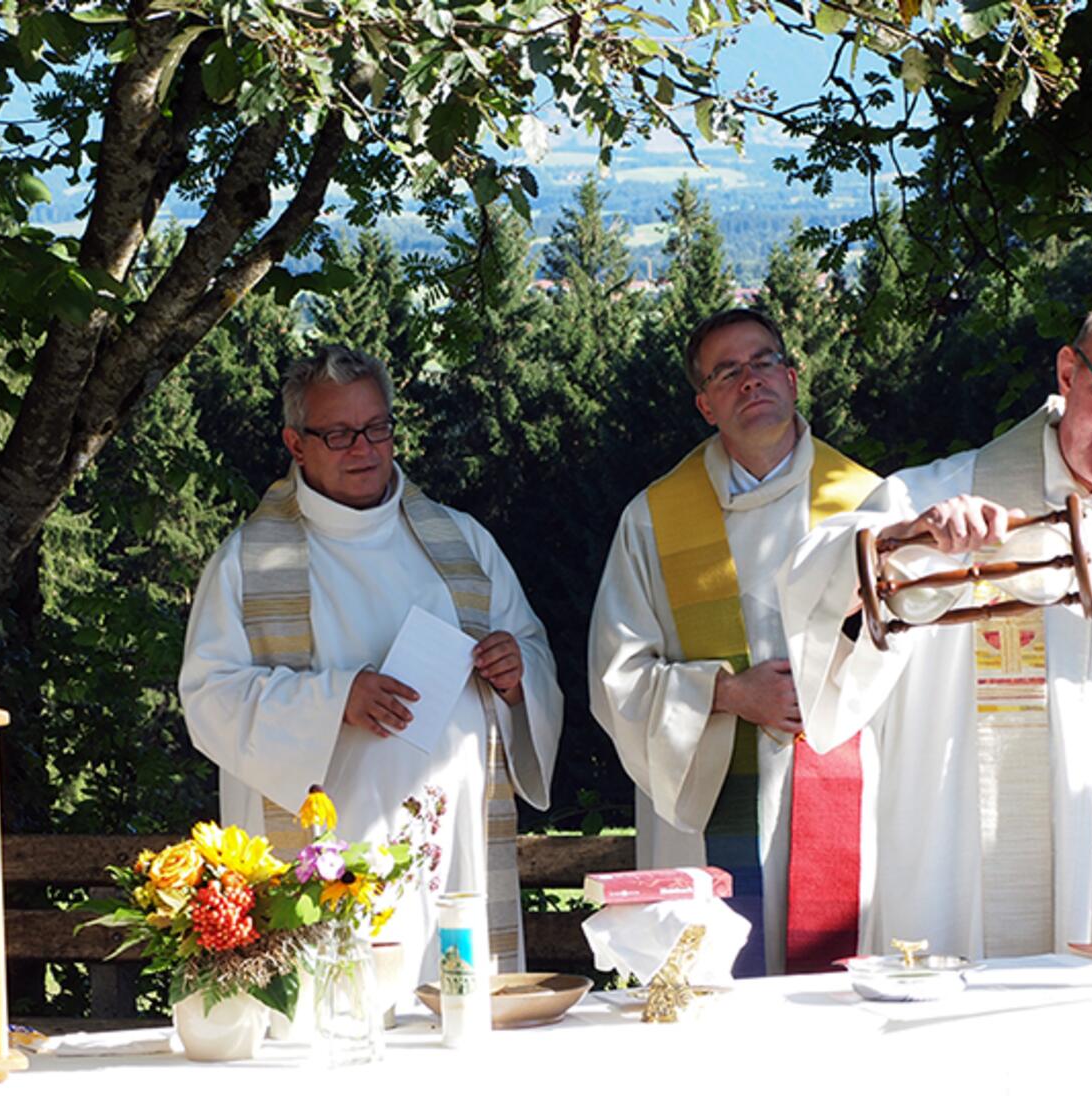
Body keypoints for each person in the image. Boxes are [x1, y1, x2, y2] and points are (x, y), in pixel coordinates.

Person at [180, 345, 563, 988]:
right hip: (333, 856)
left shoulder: (461, 540)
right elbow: (210, 698)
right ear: (296, 444)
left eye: (377, 427)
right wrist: (336, 700)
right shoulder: (249, 561)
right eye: (338, 434)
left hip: (454, 850)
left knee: (454, 1012)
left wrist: (517, 671)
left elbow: (531, 648)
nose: (364, 448)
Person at [778, 303, 1092, 961]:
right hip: (966, 870)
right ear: (1068, 372)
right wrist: (909, 538)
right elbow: (811, 573)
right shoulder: (950, 490)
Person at [588, 309, 880, 975]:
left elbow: (916, 661)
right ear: (705, 403)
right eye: (728, 372)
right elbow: (616, 675)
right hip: (710, 794)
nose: (751, 380)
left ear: (793, 377)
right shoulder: (655, 519)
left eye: (763, 362)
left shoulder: (868, 505)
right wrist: (725, 694)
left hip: (842, 787)